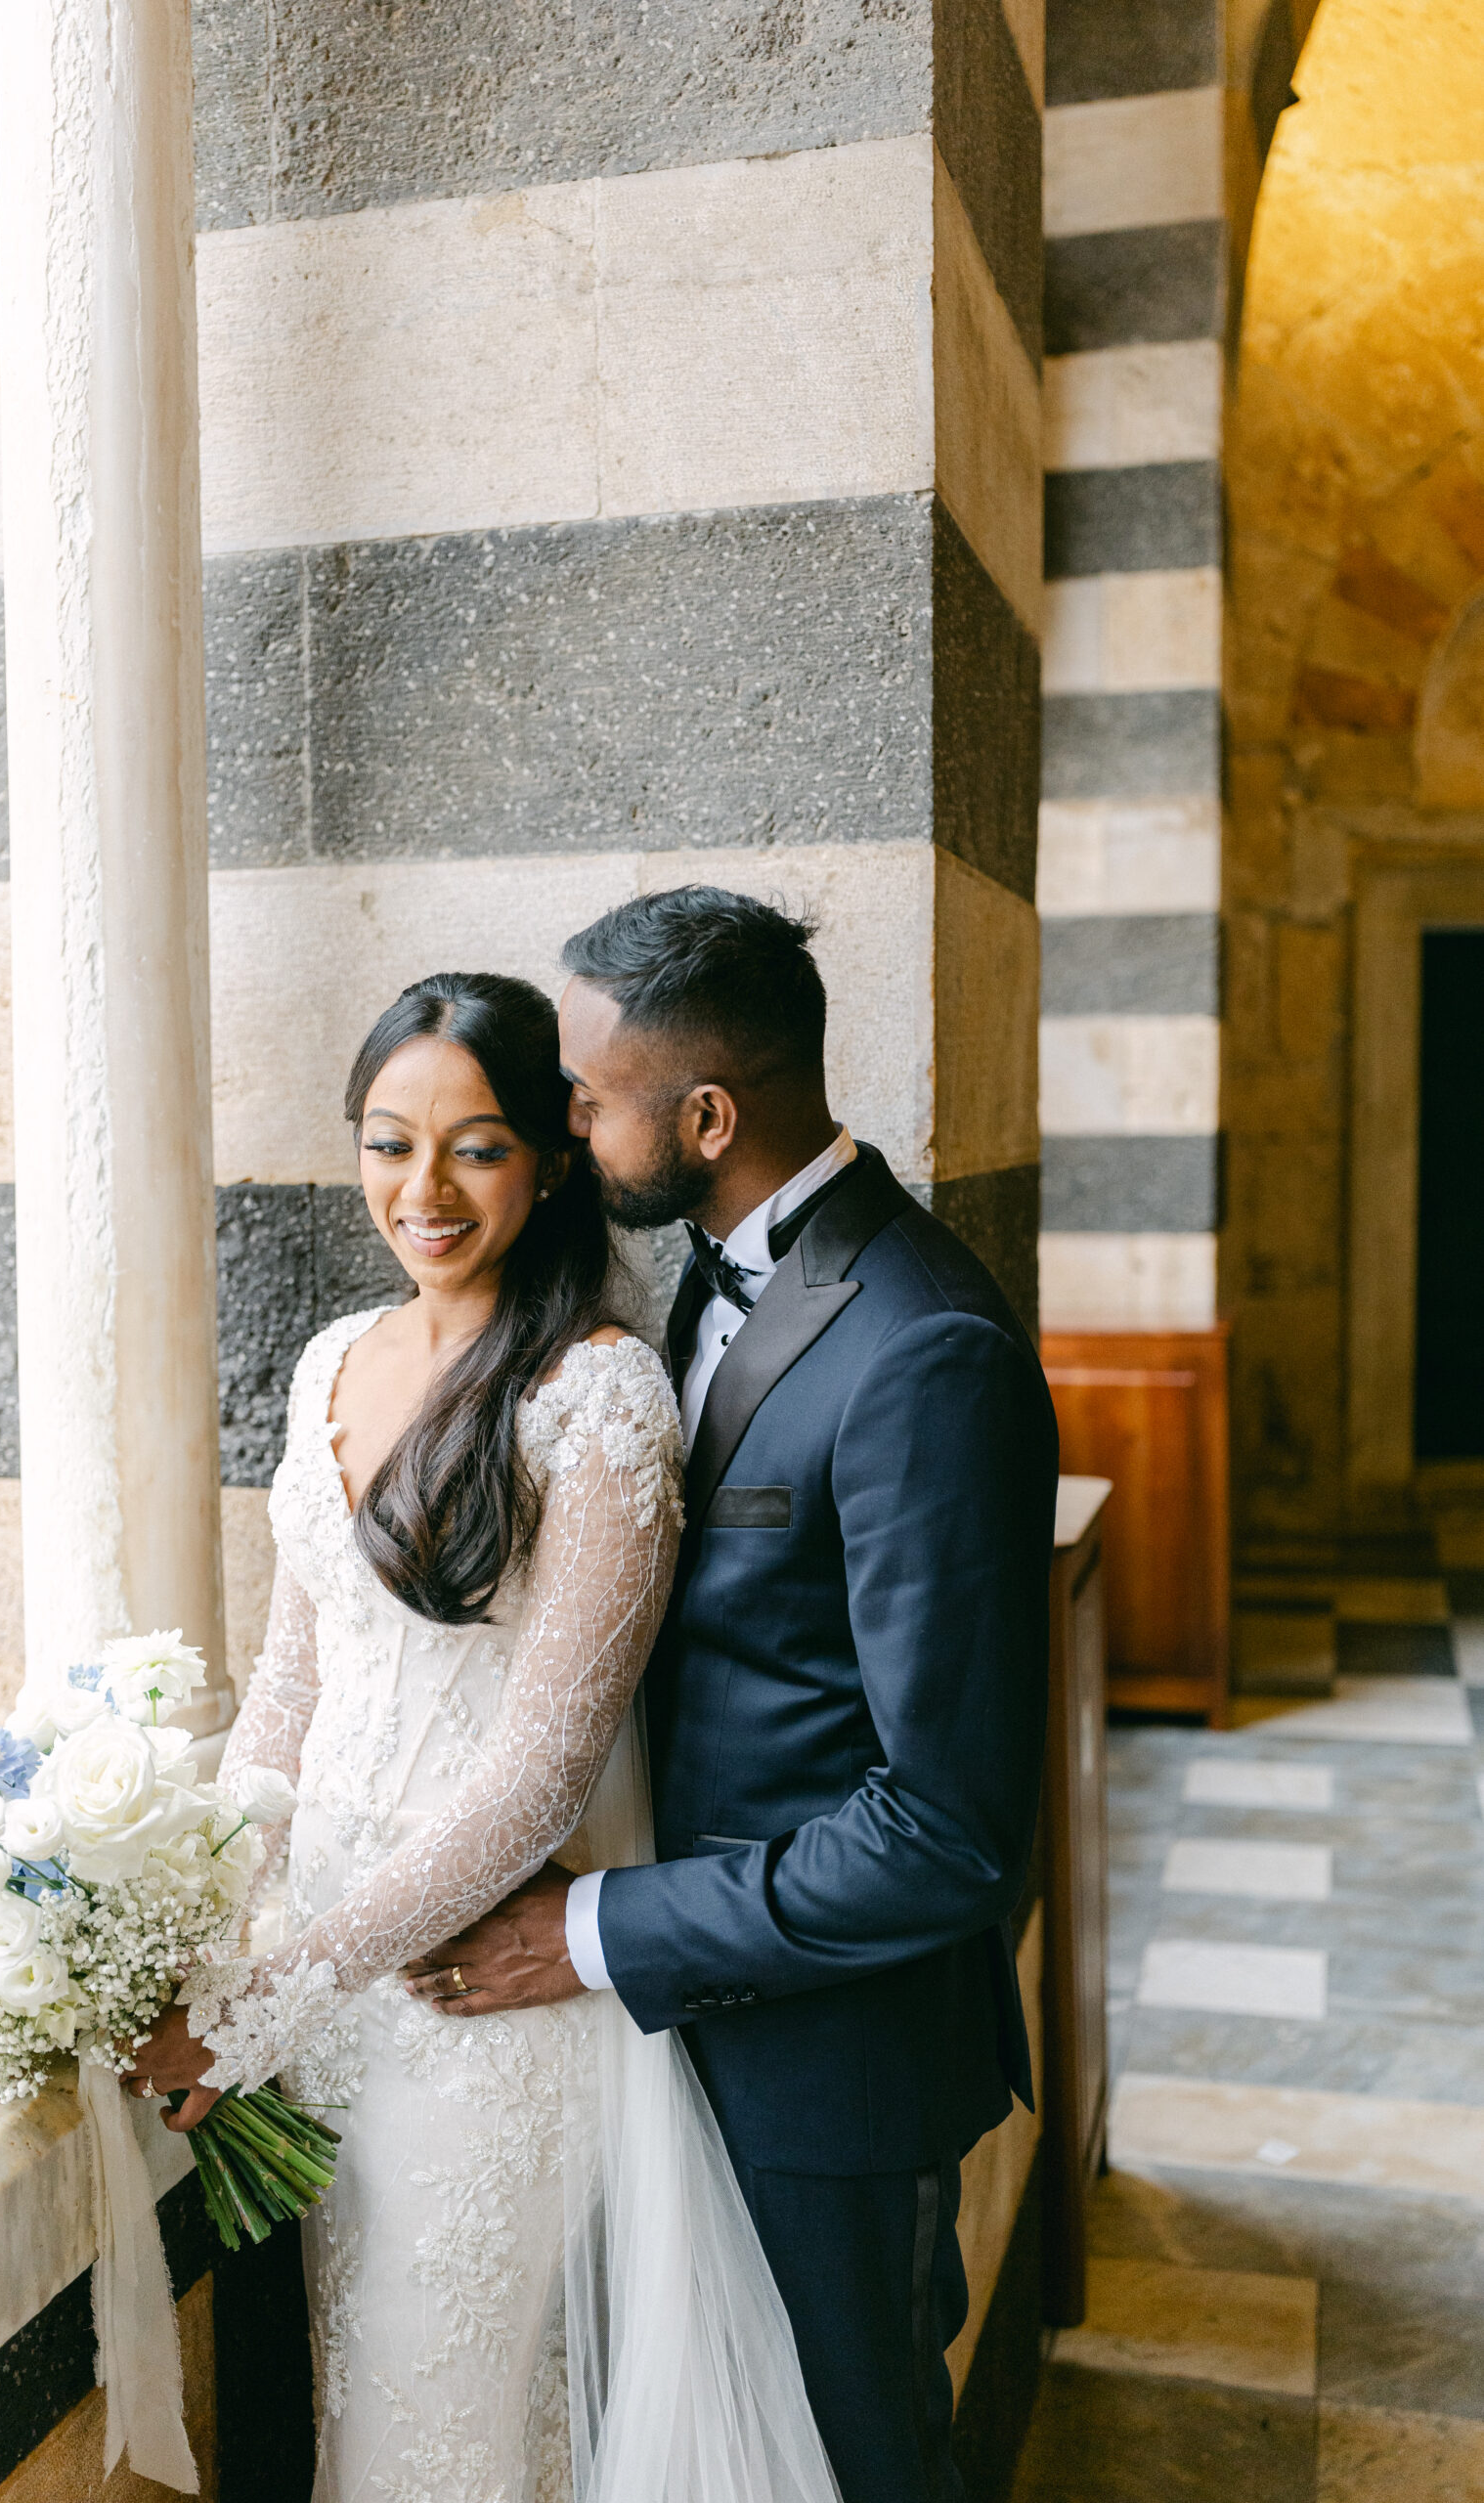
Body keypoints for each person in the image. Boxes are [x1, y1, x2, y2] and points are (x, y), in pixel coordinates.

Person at [123, 969, 842, 2503]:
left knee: (421, 2433)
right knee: (382, 2421)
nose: (423, 1191)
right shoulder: (331, 1361)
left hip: (476, 2007)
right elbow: (290, 1694)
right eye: (389, 1144)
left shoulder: (598, 1396)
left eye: (477, 1147)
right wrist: (184, 1905)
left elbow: (541, 1775)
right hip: (323, 1995)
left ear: (557, 1158)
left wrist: (262, 2001)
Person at [408, 891, 1059, 2503]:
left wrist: (593, 1930)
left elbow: (951, 1830)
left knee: (857, 2466)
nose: (556, 1122)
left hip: (827, 2073)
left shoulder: (927, 1348)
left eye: (585, 1096)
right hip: (668, 2053)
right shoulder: (698, 1280)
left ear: (707, 1117)